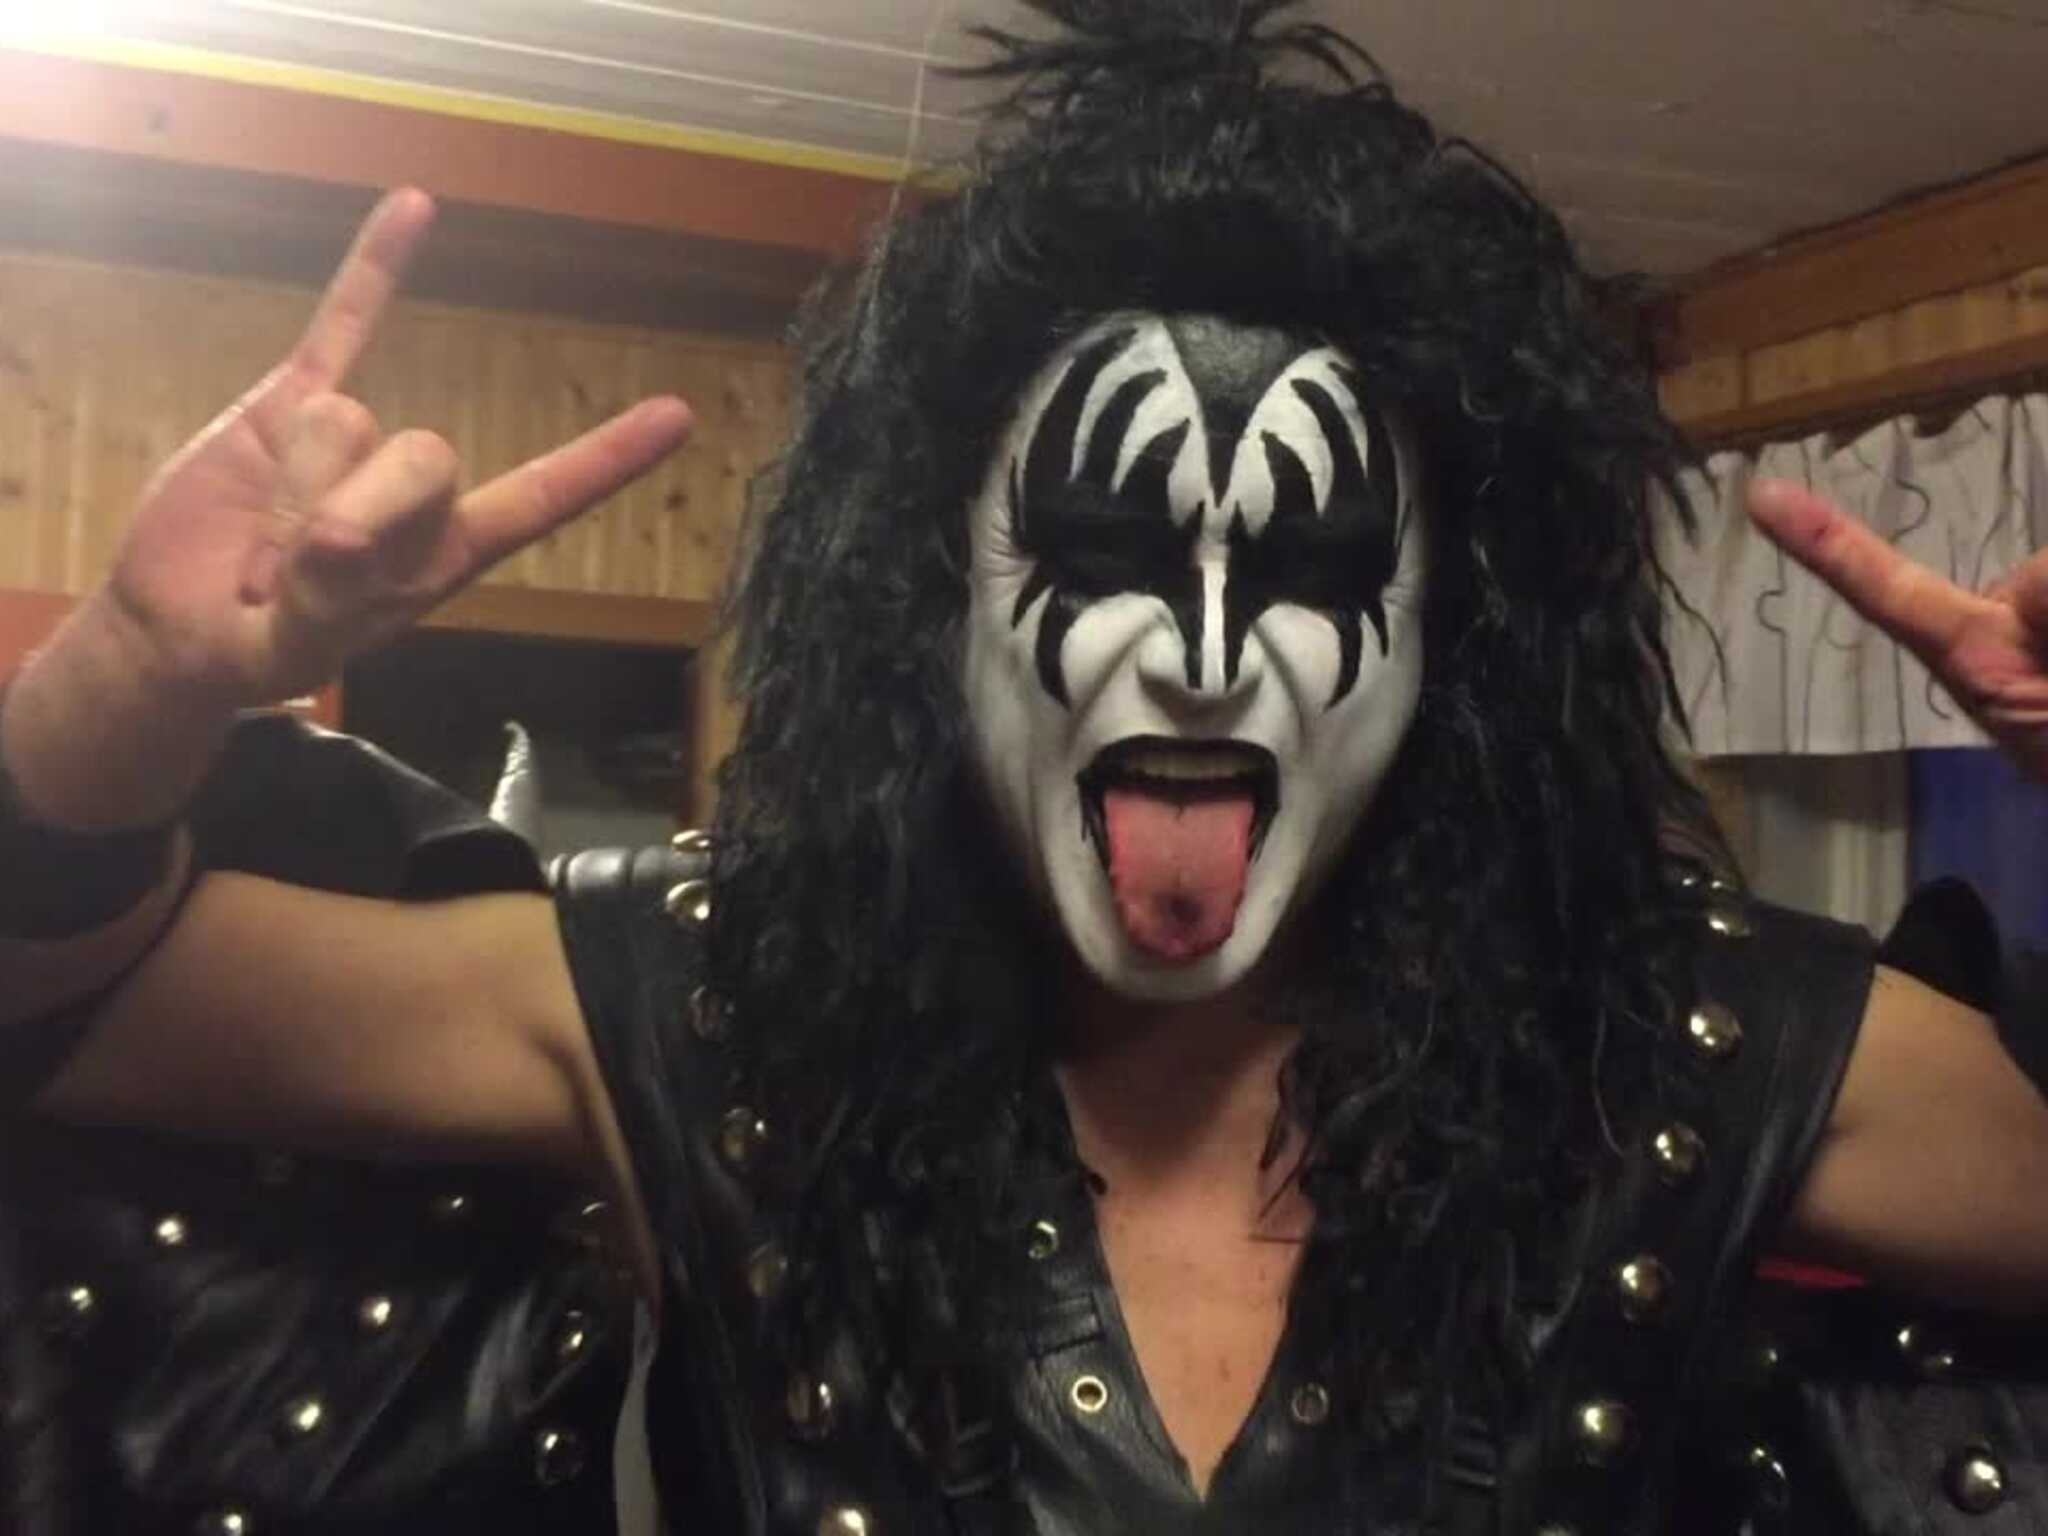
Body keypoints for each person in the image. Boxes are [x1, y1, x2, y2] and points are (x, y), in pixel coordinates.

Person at [5, 2, 2048, 1531]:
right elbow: (59, 1009)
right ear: (937, 610)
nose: (1206, 654)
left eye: (1315, 571)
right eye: (1095, 546)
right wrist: (128, 680)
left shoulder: (1683, 1053)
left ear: (1451, 650)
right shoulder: (711, 1010)